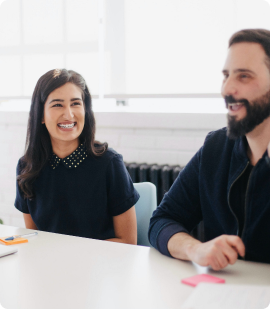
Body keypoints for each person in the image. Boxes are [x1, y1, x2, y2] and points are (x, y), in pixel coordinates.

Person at [148, 29, 270, 269]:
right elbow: (162, 221)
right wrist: (195, 249)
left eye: (244, 76)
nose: (227, 89)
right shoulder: (216, 148)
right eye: (226, 75)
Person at [15, 69, 139, 244]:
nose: (69, 114)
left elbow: (128, 241)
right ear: (41, 115)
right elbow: (35, 238)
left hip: (103, 266)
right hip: (50, 265)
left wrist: (72, 257)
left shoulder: (109, 163)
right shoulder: (27, 167)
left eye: (75, 103)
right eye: (57, 105)